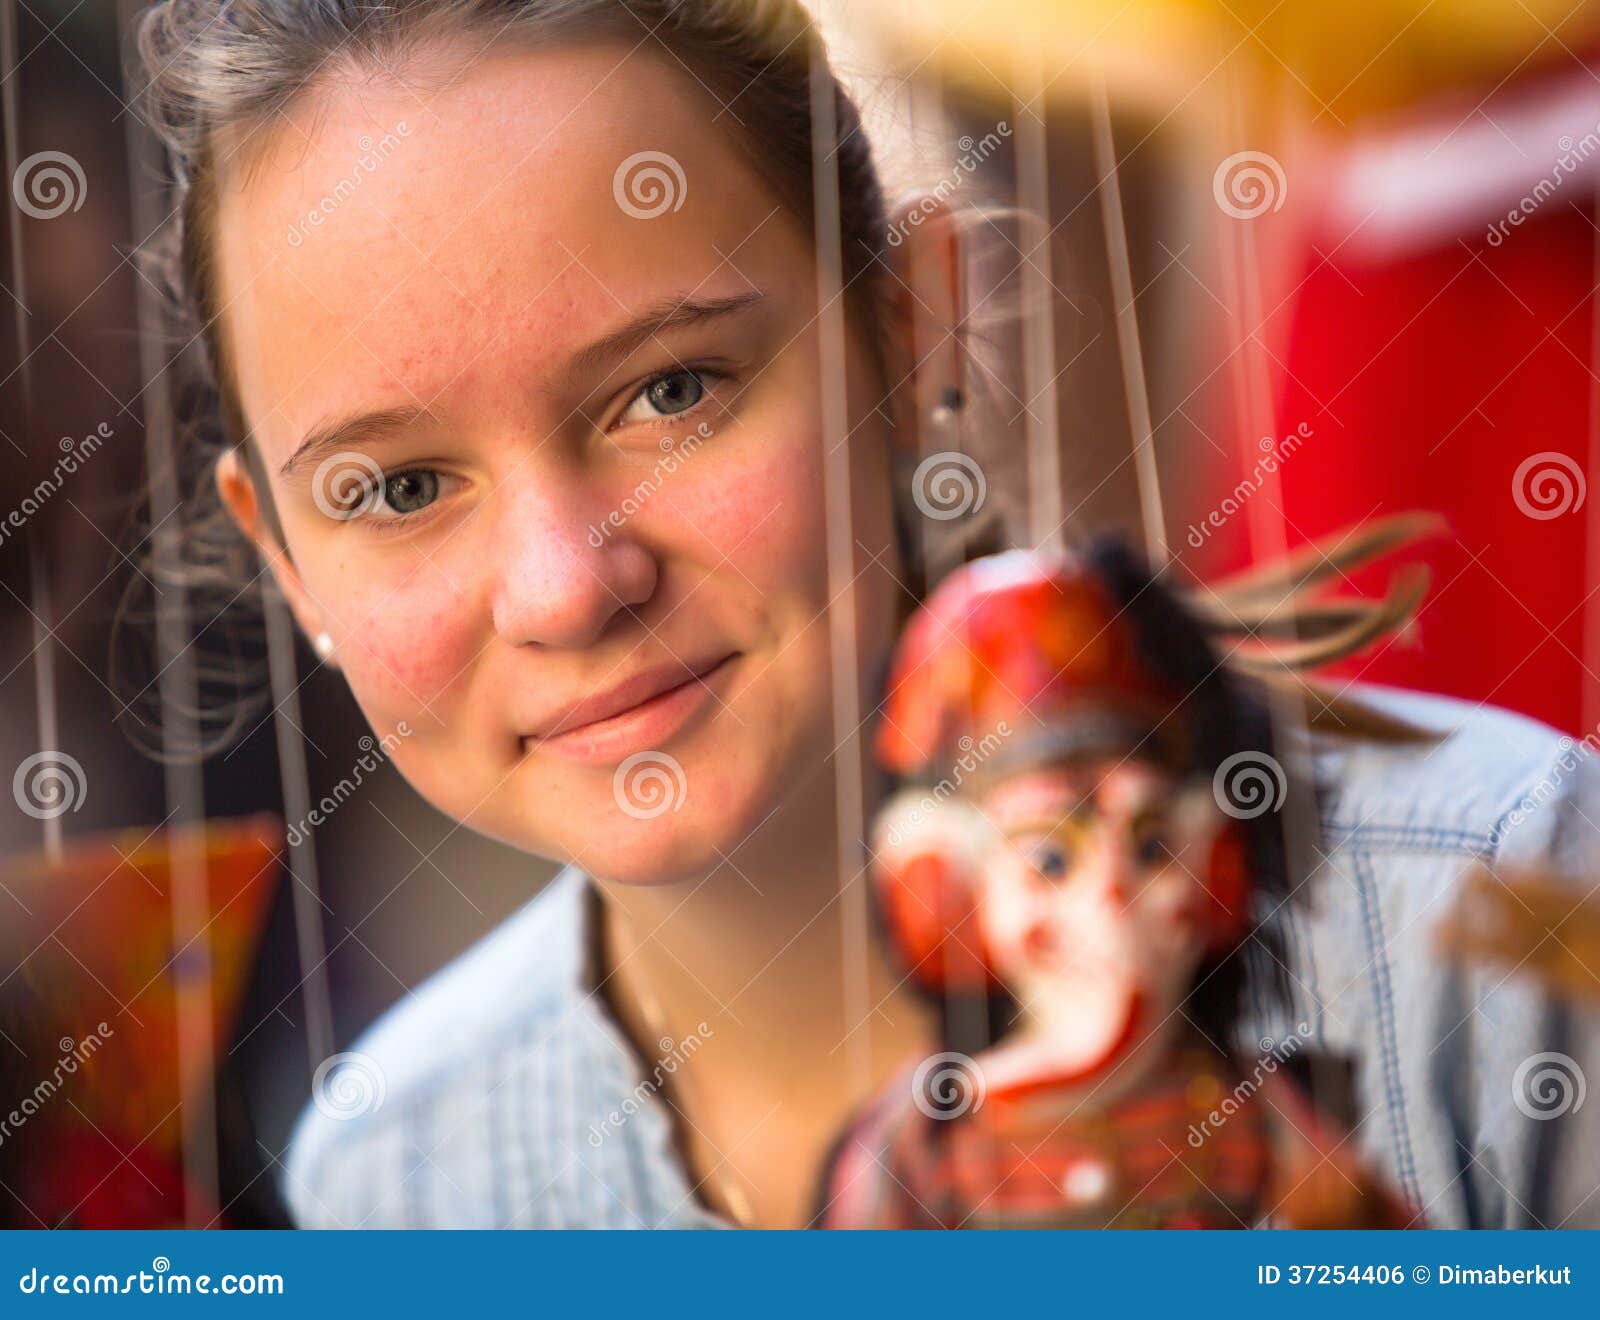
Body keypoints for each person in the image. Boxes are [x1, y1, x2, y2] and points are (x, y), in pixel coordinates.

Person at [133, 0, 1600, 1229]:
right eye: (397, 490)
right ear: (284, 559)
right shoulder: (399, 1181)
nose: (567, 586)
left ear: (910, 327)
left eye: (672, 392)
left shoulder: (1498, 937)